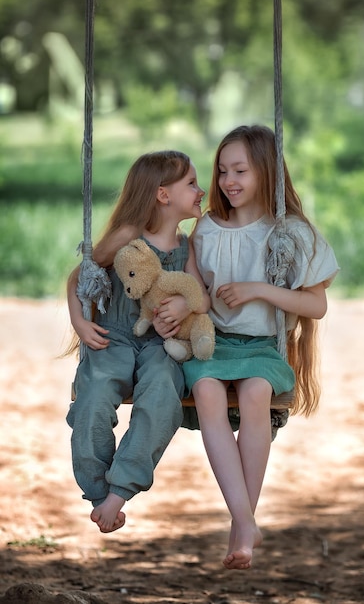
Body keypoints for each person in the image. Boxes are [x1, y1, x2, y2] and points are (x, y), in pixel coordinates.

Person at [181, 125, 339, 570]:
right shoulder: (206, 229)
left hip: (262, 347)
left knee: (255, 396)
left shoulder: (286, 232)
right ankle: (245, 521)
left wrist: (258, 289)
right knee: (208, 392)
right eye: (223, 170)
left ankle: (241, 527)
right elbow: (195, 288)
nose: (229, 180)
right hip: (212, 344)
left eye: (241, 171)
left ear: (266, 172)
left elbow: (316, 304)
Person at [66, 150, 209, 534]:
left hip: (161, 345)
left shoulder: (186, 244)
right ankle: (98, 493)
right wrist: (80, 323)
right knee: (94, 395)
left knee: (163, 391)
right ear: (163, 195)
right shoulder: (128, 237)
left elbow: (200, 294)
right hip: (112, 337)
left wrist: (184, 302)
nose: (202, 190)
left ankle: (120, 491)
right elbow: (80, 277)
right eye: (192, 183)